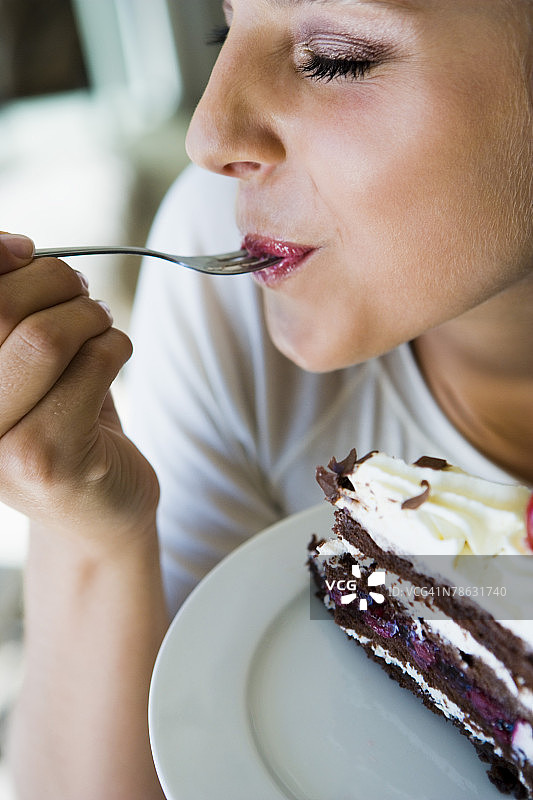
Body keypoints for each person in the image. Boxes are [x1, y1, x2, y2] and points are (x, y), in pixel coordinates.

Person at [2, 0, 532, 797]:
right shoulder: (237, 285)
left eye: (335, 56)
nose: (207, 135)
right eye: (225, 32)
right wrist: (92, 531)